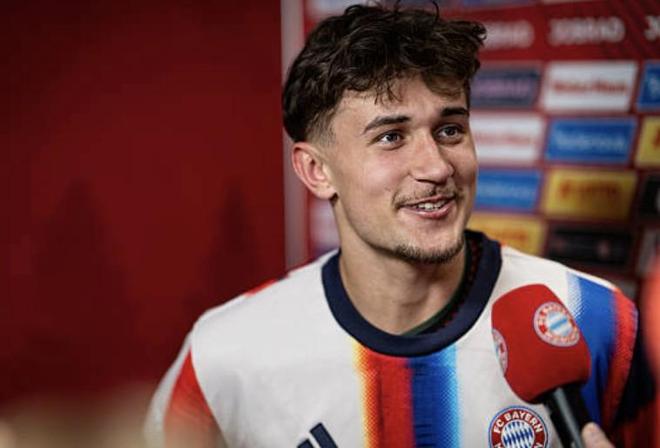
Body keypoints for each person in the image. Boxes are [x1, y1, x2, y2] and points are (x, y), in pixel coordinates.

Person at [145, 3, 655, 447]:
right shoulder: (224, 356)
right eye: (391, 137)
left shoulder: (596, 321)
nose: (436, 167)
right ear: (316, 170)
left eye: (450, 129)